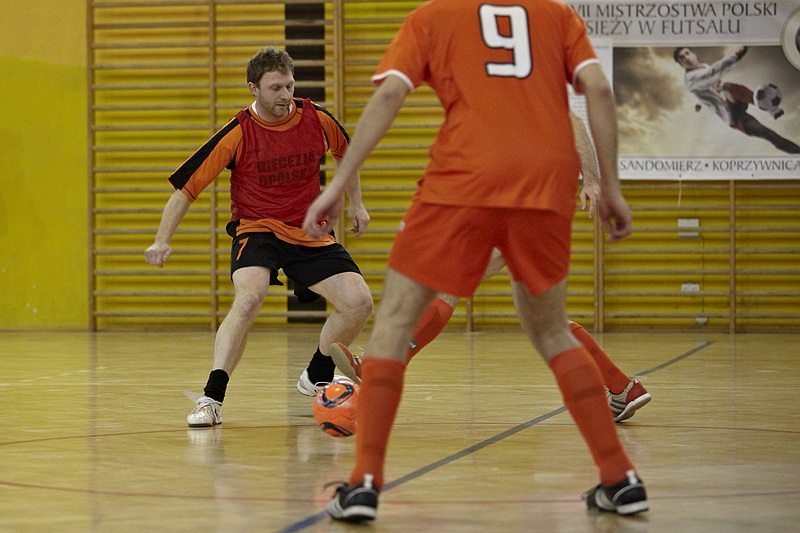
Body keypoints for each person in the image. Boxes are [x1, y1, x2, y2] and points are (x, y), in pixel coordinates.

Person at [303, 0, 647, 522]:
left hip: (464, 177)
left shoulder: (433, 16)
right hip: (545, 181)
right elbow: (597, 92)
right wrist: (608, 185)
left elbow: (390, 94)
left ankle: (363, 484)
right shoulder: (557, 16)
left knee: (393, 322)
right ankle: (620, 478)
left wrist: (338, 184)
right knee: (552, 331)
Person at [330, 111, 651, 423]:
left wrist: (592, 180)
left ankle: (377, 366)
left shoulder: (521, 91)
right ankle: (623, 388)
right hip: (524, 208)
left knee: (449, 287)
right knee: (542, 320)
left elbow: (573, 121)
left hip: (531, 208)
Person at [144, 47, 374, 428]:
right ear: (253, 89)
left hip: (308, 229)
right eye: (275, 88)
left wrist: (357, 204)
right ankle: (211, 399)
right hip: (257, 228)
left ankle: (317, 373)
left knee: (360, 303)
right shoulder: (238, 132)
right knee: (250, 297)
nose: (285, 95)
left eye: (290, 85)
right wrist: (161, 239)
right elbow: (186, 190)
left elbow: (346, 154)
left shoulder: (316, 118)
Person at [673, 46, 800, 154]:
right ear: (681, 64)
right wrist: (736, 55)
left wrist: (699, 103)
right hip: (732, 117)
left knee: (726, 86)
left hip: (732, 102)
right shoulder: (690, 79)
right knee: (770, 135)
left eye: (687, 53)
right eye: (682, 58)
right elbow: (712, 73)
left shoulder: (704, 67)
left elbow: (706, 89)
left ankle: (769, 107)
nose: (687, 58)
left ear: (694, 54)